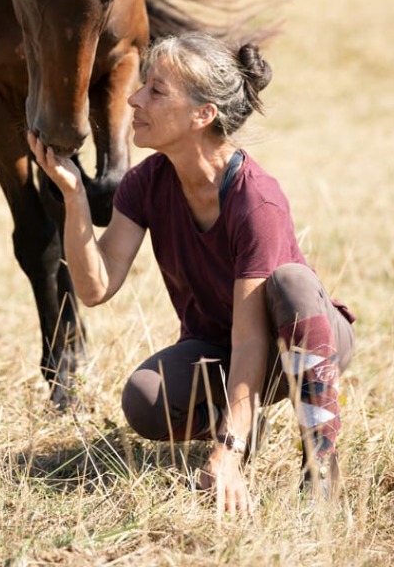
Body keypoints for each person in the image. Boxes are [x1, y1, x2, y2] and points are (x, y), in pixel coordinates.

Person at [28, 31, 355, 515]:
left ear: (204, 115)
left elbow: (251, 340)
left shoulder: (255, 199)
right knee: (144, 400)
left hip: (302, 338)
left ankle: (320, 465)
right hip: (224, 348)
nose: (135, 99)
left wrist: (227, 451)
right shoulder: (146, 183)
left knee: (292, 283)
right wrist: (73, 197)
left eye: (156, 91)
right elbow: (95, 286)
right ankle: (244, 421)